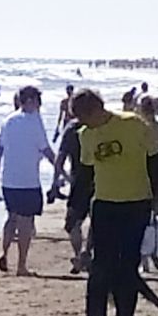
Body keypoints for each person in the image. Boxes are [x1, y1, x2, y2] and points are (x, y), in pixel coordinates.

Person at [72, 89, 153, 316]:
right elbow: (84, 176)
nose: (83, 124)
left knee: (128, 267)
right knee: (100, 267)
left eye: (85, 117)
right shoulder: (85, 135)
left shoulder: (132, 124)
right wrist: (75, 209)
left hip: (137, 202)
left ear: (96, 110)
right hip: (105, 205)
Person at [0, 86, 56, 276]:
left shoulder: (8, 121)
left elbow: (0, 152)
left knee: (11, 217)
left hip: (8, 180)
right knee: (26, 222)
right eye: (37, 101)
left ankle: (3, 252)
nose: (39, 106)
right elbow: (46, 149)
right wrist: (61, 170)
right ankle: (21, 265)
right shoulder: (34, 121)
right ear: (30, 101)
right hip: (28, 181)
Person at [54, 115, 93, 274]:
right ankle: (86, 252)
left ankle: (79, 254)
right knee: (96, 221)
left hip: (79, 181)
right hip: (100, 179)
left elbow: (59, 160)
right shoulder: (97, 126)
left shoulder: (71, 130)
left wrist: (61, 179)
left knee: (72, 223)